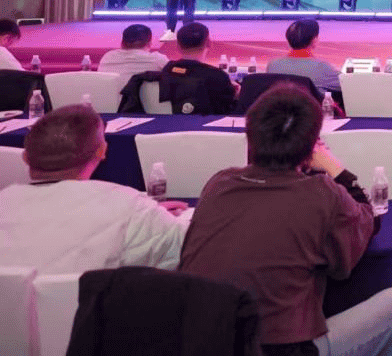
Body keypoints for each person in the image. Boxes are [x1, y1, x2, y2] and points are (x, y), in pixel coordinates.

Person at [179, 86, 392, 356]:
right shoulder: (322, 193)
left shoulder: (219, 183)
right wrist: (336, 170)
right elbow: (369, 222)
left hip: (192, 342)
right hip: (280, 350)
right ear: (311, 146)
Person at [0, 105, 187, 273]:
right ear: (102, 151)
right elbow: (187, 250)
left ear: (25, 157)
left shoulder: (4, 201)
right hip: (92, 302)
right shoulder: (130, 208)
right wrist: (149, 216)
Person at [160, 22, 238, 113]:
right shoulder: (218, 76)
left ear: (178, 45)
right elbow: (228, 107)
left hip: (174, 119)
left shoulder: (168, 69)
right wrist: (237, 93)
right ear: (209, 43)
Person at [266, 18, 342, 93]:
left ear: (288, 42)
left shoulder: (273, 65)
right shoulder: (322, 67)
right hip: (309, 102)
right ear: (314, 40)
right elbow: (346, 84)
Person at [97, 23, 170, 77]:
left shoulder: (108, 57)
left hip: (110, 94)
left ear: (122, 43)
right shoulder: (158, 59)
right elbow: (174, 76)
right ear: (149, 44)